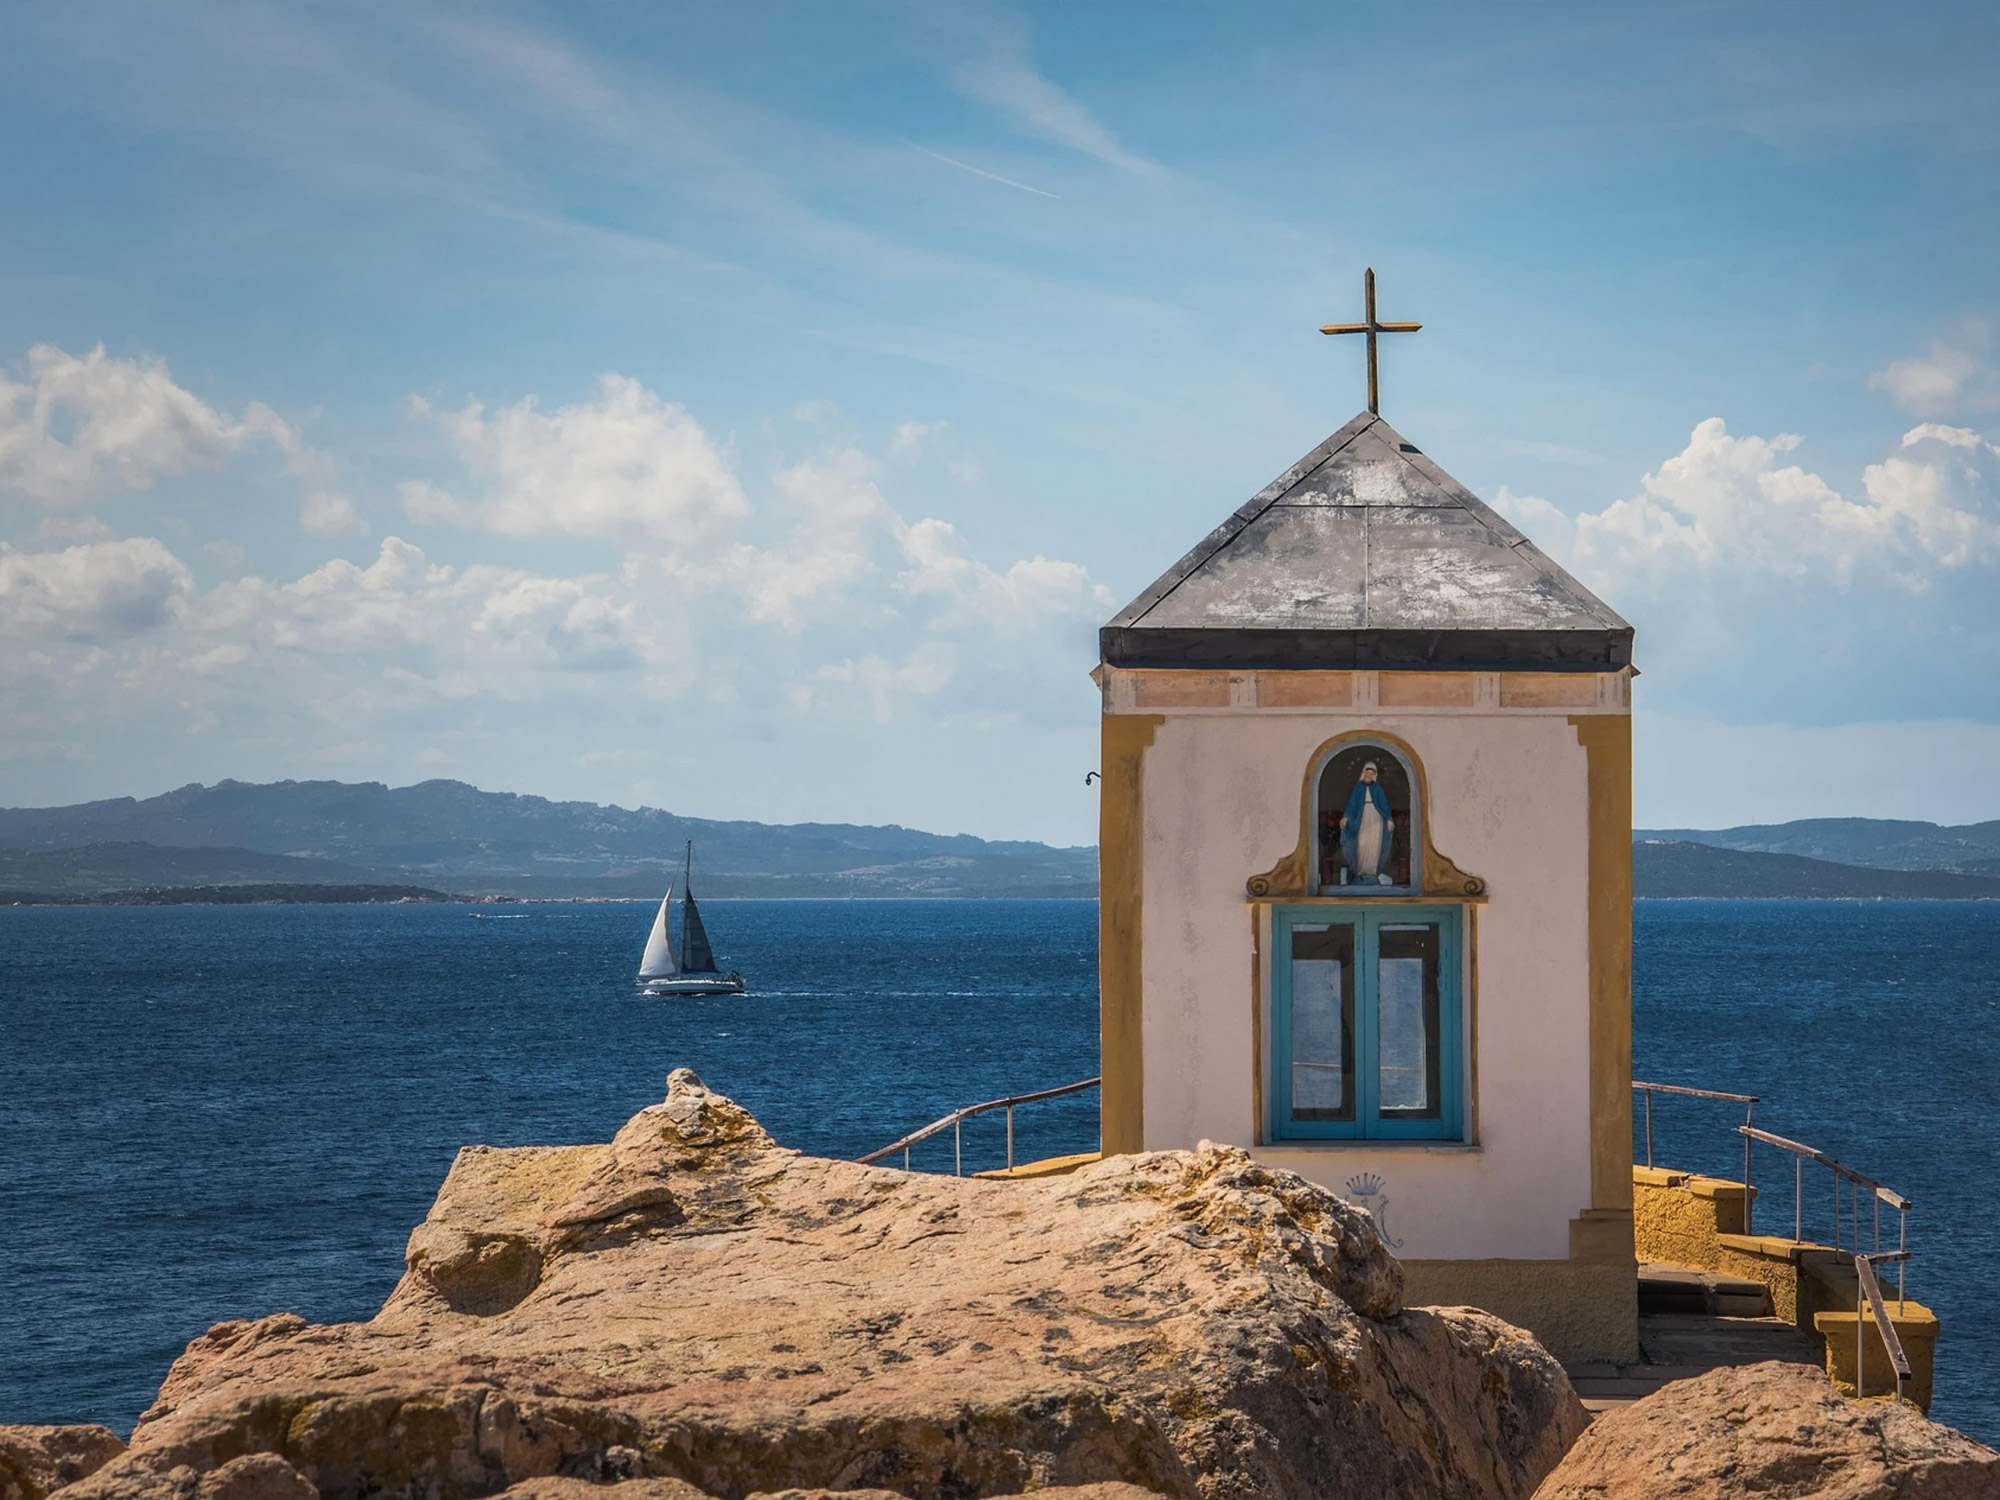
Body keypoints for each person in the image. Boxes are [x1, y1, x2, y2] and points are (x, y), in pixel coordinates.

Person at [1340, 761, 1396, 885]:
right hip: (1363, 817)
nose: (1369, 775)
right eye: (1367, 772)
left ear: (1374, 775)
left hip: (1376, 818)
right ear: (1363, 773)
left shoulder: (1378, 788)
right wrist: (1346, 817)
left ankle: (1372, 871)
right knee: (1362, 843)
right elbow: (1352, 804)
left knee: (1374, 844)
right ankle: (1361, 870)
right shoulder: (1358, 788)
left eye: (1371, 773)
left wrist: (1388, 819)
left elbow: (1384, 805)